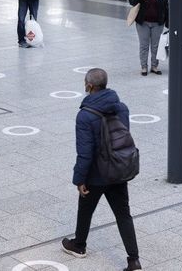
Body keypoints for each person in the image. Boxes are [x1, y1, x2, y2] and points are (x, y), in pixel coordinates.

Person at [61, 68, 141, 271]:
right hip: (117, 169)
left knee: (85, 209)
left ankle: (79, 245)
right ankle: (134, 260)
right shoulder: (121, 107)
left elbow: (85, 154)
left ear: (89, 86)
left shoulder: (85, 116)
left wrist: (79, 179)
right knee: (124, 214)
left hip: (96, 174)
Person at [128, 0, 167, 76]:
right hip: (143, 23)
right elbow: (131, 1)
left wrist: (168, 22)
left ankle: (154, 66)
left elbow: (166, 7)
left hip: (157, 23)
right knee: (144, 45)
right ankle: (144, 67)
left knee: (156, 46)